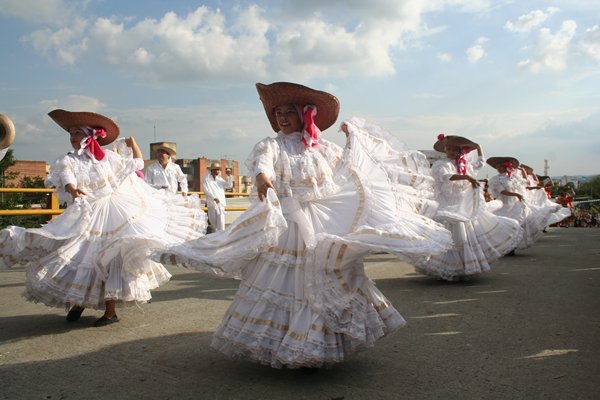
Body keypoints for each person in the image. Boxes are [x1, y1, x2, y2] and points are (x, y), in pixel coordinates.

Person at [157, 82, 452, 369]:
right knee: (286, 282)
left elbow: (350, 169)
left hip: (322, 219)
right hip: (288, 225)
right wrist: (262, 178)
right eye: (278, 113)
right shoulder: (272, 145)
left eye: (289, 112)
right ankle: (288, 344)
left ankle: (318, 344)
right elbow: (263, 163)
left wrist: (353, 139)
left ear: (303, 114)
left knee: (327, 273)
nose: (282, 118)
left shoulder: (323, 148)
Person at [0, 109, 206, 326]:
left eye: (77, 133)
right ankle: (79, 301)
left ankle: (110, 312)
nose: (73, 137)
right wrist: (72, 189)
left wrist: (133, 144)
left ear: (90, 136)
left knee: (110, 260)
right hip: (87, 213)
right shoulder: (68, 160)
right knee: (81, 256)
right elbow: (66, 177)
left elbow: (137, 163)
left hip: (114, 212)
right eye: (71, 133)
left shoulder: (108, 158)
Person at [412, 135, 521, 281]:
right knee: (451, 234)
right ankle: (448, 268)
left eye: (454, 149)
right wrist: (467, 178)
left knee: (465, 235)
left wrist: (478, 147)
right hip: (447, 204)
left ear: (461, 151)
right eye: (448, 149)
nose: (451, 152)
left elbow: (480, 163)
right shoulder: (441, 164)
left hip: (464, 205)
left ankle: (463, 268)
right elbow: (446, 176)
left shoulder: (465, 165)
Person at [487, 157, 555, 251]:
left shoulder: (513, 178)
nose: (499, 168)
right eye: (498, 167)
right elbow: (502, 191)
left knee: (518, 225)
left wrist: (534, 186)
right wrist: (516, 194)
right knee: (505, 226)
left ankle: (512, 246)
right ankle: (505, 246)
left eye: (501, 166)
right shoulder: (495, 179)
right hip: (504, 205)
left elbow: (525, 185)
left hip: (516, 205)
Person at [202, 162, 227, 232]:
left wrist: (229, 176)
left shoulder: (220, 179)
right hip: (211, 204)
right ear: (212, 170)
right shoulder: (206, 179)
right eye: (216, 169)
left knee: (221, 225)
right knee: (213, 224)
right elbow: (205, 190)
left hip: (220, 204)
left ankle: (221, 237)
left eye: (219, 169)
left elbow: (228, 185)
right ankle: (217, 237)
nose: (218, 171)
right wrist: (214, 197)